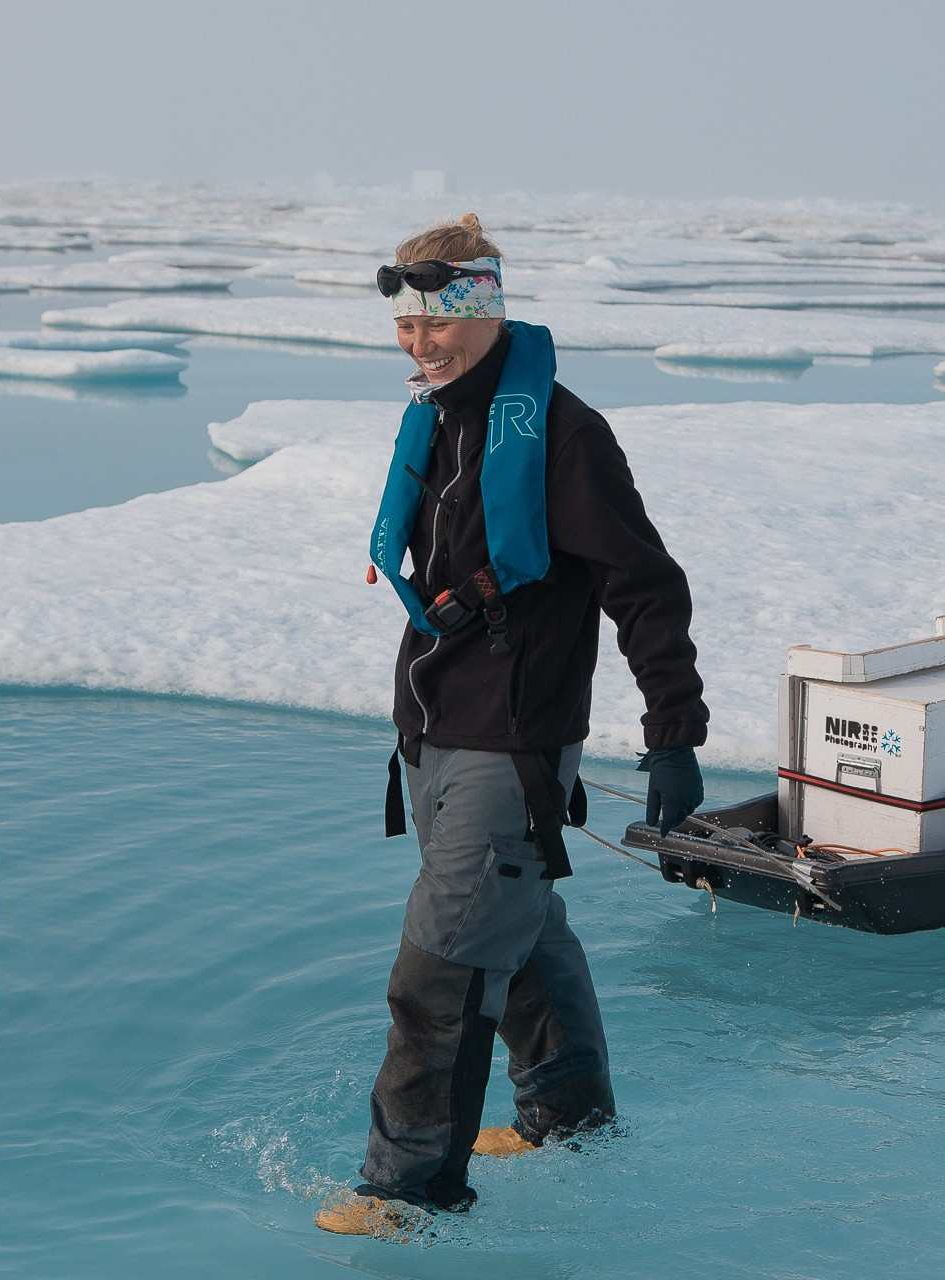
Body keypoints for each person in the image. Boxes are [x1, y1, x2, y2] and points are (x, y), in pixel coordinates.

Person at [315, 214, 708, 1236]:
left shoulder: (563, 435)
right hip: (438, 726)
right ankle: (569, 1113)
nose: (423, 343)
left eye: (442, 323)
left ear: (486, 308)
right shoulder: (441, 419)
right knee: (522, 932)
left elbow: (646, 586)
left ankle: (406, 1187)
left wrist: (675, 730)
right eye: (407, 327)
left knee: (441, 961)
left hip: (514, 740)